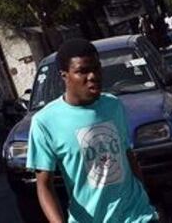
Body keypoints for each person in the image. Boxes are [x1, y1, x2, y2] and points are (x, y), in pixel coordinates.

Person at [27, 39, 160, 223]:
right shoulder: (45, 122)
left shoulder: (113, 105)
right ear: (64, 75)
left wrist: (144, 196)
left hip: (137, 214)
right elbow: (44, 185)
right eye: (82, 71)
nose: (93, 76)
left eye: (96, 68)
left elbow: (127, 155)